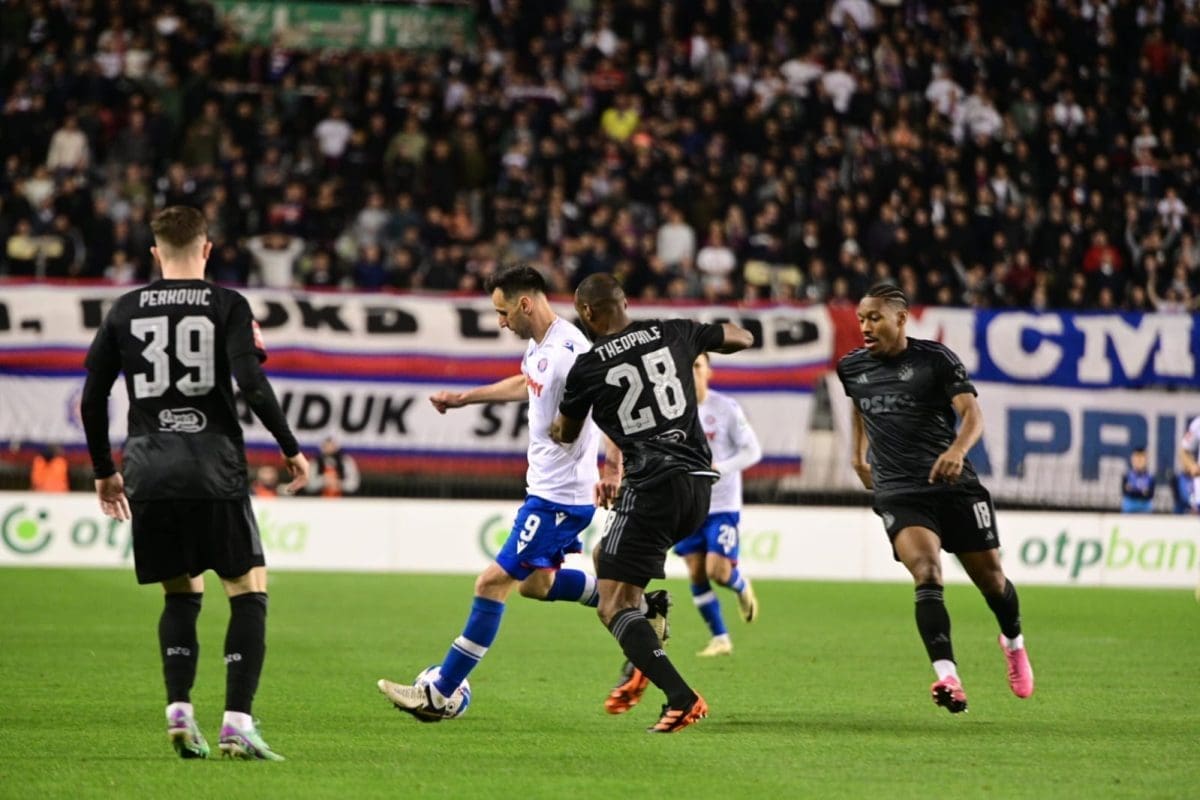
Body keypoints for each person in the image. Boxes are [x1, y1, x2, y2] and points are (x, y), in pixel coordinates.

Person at [80, 205, 309, 760]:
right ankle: (237, 723)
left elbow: (92, 398)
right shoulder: (228, 304)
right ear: (207, 249)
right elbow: (251, 383)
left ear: (154, 253)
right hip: (213, 465)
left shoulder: (123, 309)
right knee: (247, 587)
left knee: (181, 592)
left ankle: (179, 710)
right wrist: (290, 447)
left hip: (149, 468)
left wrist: (104, 470)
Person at [377, 265, 608, 721]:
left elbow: (605, 402)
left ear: (525, 303)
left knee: (492, 583)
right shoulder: (540, 346)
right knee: (537, 586)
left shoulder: (569, 353)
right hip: (548, 491)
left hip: (560, 497)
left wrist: (611, 464)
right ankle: (628, 601)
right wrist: (465, 399)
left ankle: (440, 692)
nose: (500, 322)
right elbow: (526, 383)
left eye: (503, 312)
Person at [550, 274, 754, 733]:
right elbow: (741, 337)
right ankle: (649, 621)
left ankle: (681, 696)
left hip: (653, 486)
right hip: (698, 489)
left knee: (612, 605)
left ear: (586, 313)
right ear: (625, 301)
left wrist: (550, 422)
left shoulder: (588, 367)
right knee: (606, 558)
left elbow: (565, 432)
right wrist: (713, 335)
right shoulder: (672, 330)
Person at [836, 283, 1034, 714]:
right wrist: (856, 455)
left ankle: (1013, 641)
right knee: (927, 572)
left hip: (953, 486)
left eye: (874, 318)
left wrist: (958, 450)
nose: (865, 326)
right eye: (861, 319)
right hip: (900, 491)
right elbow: (859, 404)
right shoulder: (851, 367)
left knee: (993, 582)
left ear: (900, 319)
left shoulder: (936, 360)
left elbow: (973, 414)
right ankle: (948, 677)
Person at [673, 353, 762, 656]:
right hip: (687, 506)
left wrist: (719, 469)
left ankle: (741, 586)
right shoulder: (672, 410)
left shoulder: (726, 408)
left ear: (708, 371)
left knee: (718, 572)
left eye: (697, 365)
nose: (691, 371)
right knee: (696, 571)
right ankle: (720, 638)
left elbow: (752, 451)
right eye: (686, 365)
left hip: (722, 506)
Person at [1120, 448, 1156, 513]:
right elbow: (1124, 493)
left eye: (1141, 458)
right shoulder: (1127, 476)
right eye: (1137, 457)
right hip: (1129, 511)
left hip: (1145, 511)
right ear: (1132, 459)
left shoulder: (1150, 478)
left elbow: (1150, 495)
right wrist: (1142, 492)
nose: (1139, 461)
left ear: (1146, 460)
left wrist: (1133, 490)